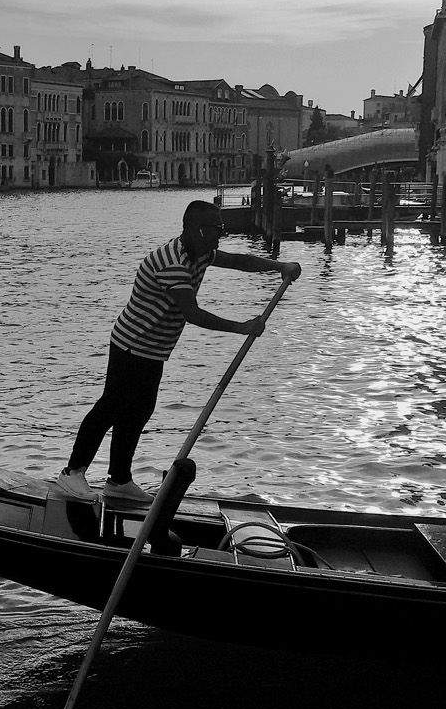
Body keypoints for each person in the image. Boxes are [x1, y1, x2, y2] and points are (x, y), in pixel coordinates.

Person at [56, 200, 301, 503]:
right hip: (132, 345)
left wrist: (279, 267)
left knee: (138, 413)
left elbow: (238, 261)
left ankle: (119, 480)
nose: (220, 234)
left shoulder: (199, 253)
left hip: (154, 349)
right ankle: (72, 473)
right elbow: (192, 313)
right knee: (111, 408)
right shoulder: (172, 263)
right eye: (216, 229)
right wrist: (242, 327)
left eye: (221, 228)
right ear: (197, 230)